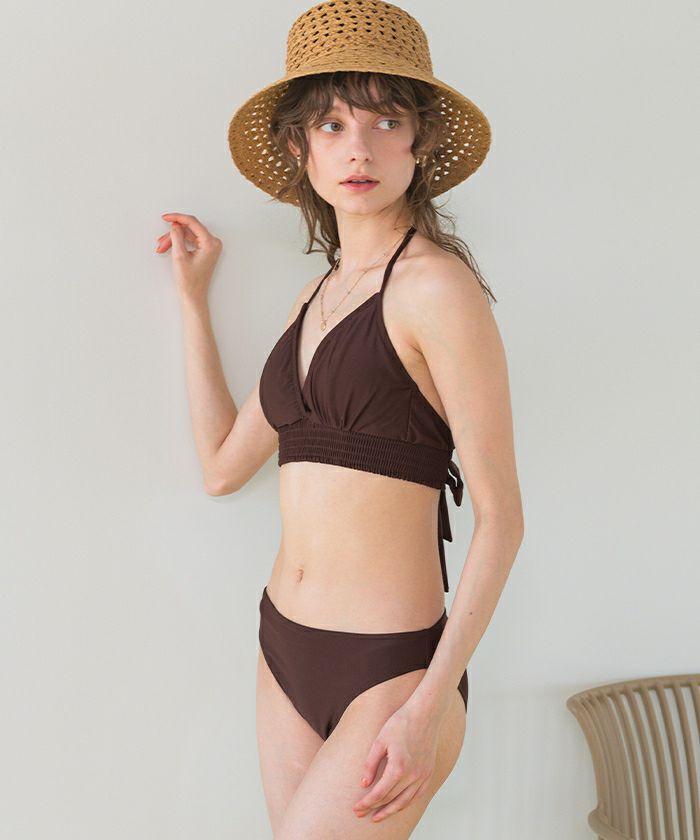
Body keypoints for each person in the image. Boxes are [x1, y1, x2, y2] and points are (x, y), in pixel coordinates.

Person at [156, 1, 524, 835]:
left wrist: (429, 704)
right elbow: (222, 468)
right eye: (332, 124)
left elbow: (502, 519)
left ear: (420, 141)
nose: (359, 148)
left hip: (391, 669)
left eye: (386, 120)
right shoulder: (312, 299)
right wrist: (193, 302)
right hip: (283, 646)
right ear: (301, 148)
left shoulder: (437, 289)